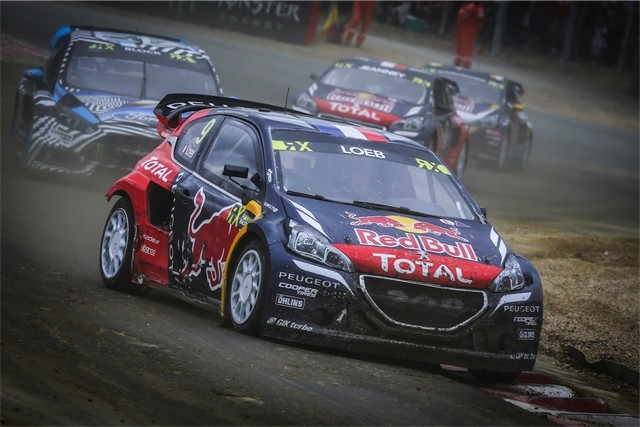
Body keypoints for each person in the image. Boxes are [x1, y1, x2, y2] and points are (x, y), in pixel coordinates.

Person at [454, 1, 485, 68]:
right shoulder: (466, 4)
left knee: (466, 45)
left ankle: (466, 65)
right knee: (460, 45)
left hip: (470, 27)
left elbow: (480, 18)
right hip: (462, 26)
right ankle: (457, 62)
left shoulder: (478, 6)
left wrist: (479, 26)